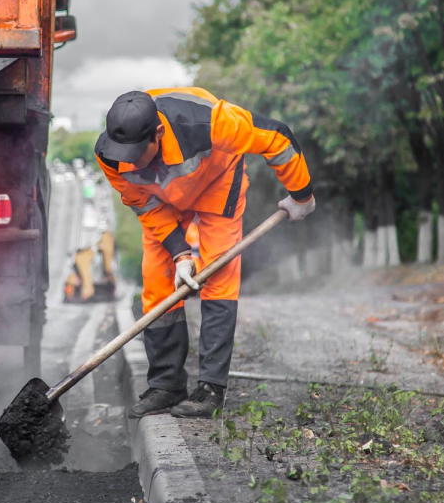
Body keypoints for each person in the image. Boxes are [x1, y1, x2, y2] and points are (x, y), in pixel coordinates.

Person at [95, 88, 315, 418]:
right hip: (164, 203)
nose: (130, 158)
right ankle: (166, 385)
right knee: (157, 283)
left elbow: (277, 137)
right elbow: (144, 205)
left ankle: (211, 387)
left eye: (138, 151)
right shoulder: (111, 155)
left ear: (158, 133)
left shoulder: (208, 122)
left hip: (218, 185)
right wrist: (180, 253)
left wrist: (301, 194)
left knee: (219, 278)